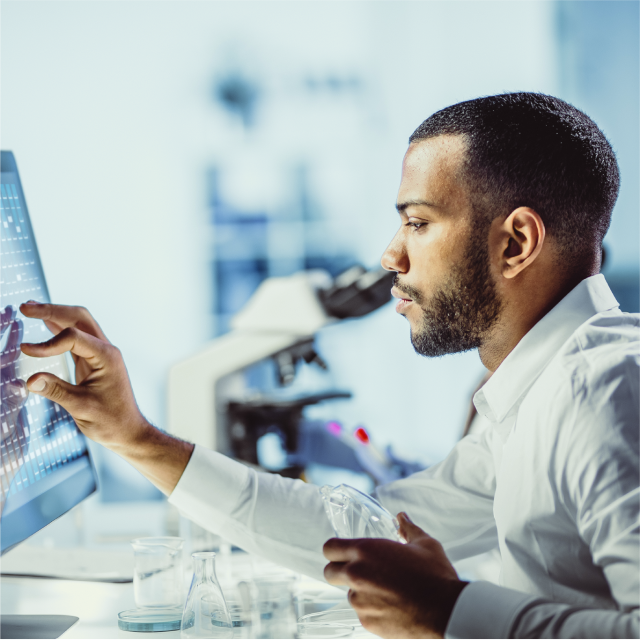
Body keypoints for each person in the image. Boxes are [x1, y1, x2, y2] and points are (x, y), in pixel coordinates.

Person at [18, 93, 639, 638]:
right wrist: (135, 437)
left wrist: (453, 613)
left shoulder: (604, 392)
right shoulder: (534, 395)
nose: (390, 254)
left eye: (418, 223)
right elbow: (364, 534)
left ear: (516, 243)